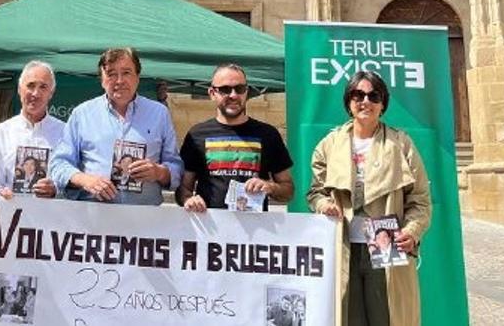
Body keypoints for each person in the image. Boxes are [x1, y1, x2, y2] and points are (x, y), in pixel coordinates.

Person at [307, 70, 432, 326]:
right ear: (348, 102)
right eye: (358, 95)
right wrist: (323, 204)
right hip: (344, 249)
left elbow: (419, 199)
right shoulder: (329, 145)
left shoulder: (401, 144)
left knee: (388, 318)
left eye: (373, 96)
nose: (366, 101)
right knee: (348, 318)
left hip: (387, 249)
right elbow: (315, 191)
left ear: (383, 103)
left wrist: (412, 231)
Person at [49, 47, 182, 205]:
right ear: (102, 80)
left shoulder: (159, 114)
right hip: (93, 220)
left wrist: (159, 172)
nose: (119, 81)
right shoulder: (82, 114)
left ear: (137, 77)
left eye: (126, 73)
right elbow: (58, 165)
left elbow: (176, 167)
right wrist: (84, 180)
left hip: (145, 222)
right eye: (111, 74)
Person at [177, 63, 294, 212]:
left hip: (257, 231)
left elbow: (288, 190)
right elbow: (183, 189)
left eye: (239, 89)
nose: (233, 95)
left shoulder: (268, 134)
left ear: (246, 92)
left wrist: (269, 187)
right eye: (225, 89)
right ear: (212, 93)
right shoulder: (197, 134)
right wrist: (189, 199)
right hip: (211, 231)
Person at [0, 61, 64, 198]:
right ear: (19, 89)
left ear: (51, 93)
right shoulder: (0, 134)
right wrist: (0, 191)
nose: (35, 93)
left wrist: (56, 190)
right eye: (30, 86)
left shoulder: (65, 133)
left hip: (51, 216)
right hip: (9, 213)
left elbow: (72, 181)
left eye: (43, 87)